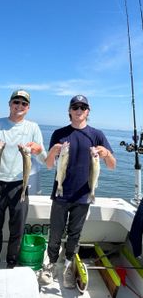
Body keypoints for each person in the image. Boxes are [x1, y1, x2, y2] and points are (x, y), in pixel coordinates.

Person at [39, 95, 116, 288]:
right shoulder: (59, 133)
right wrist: (53, 152)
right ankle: (50, 265)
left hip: (83, 195)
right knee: (55, 234)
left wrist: (106, 154)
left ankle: (67, 267)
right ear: (69, 111)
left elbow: (112, 166)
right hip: (61, 193)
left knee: (75, 235)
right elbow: (49, 165)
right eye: (75, 106)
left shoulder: (97, 135)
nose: (79, 109)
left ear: (88, 111)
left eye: (83, 107)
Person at [0, 89, 47, 268]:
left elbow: (43, 158)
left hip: (20, 185)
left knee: (17, 230)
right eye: (16, 102)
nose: (19, 106)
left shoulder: (33, 127)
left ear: (28, 108)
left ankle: (11, 264)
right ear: (10, 104)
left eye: (23, 103)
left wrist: (38, 150)